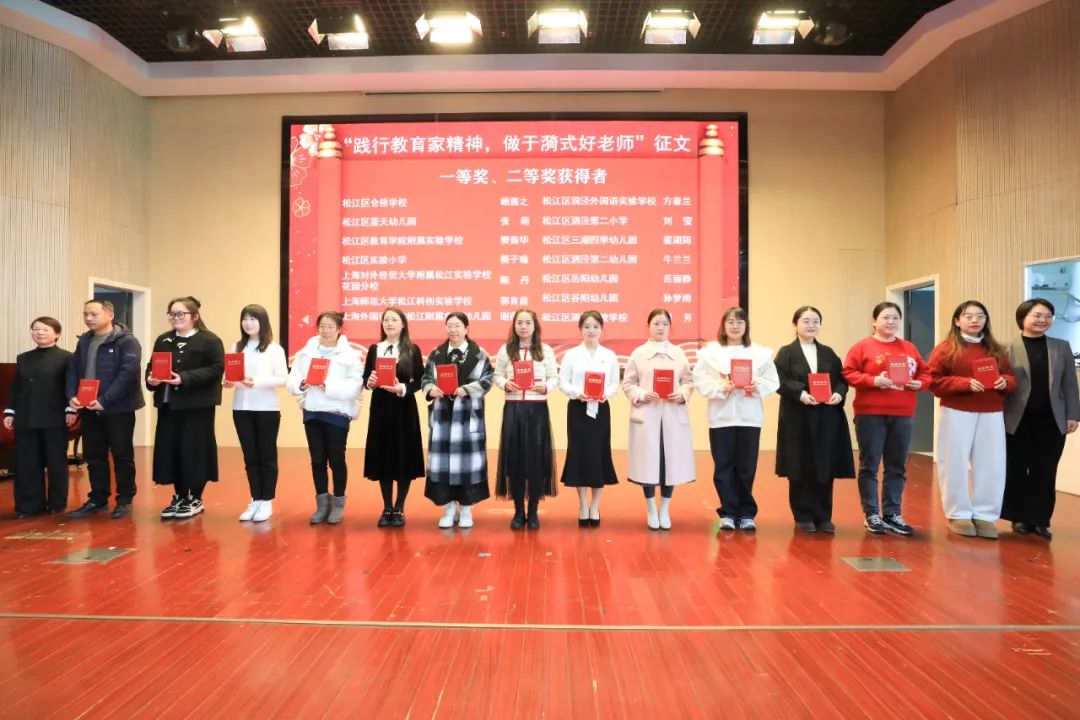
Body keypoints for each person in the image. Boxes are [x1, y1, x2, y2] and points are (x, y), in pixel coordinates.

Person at [928, 300, 1016, 539]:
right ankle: (958, 513)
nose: (975, 320)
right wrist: (964, 383)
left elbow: (1011, 377)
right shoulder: (946, 349)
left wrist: (1005, 382)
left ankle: (985, 515)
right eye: (968, 316)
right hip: (957, 411)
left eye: (980, 316)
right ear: (957, 321)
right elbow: (933, 381)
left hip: (991, 411)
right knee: (954, 462)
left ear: (986, 320)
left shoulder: (996, 349)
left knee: (992, 464)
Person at [842, 302, 931, 536]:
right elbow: (848, 373)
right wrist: (873, 380)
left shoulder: (909, 347)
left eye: (895, 318)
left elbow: (926, 373)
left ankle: (892, 513)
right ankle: (871, 513)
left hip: (903, 413)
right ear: (874, 321)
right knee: (869, 465)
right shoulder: (862, 347)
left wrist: (920, 383)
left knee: (897, 465)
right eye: (885, 317)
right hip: (870, 413)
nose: (890, 322)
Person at [693, 307, 779, 532]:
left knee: (746, 466)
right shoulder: (710, 353)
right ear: (723, 325)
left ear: (746, 326)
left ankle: (747, 513)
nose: (735, 326)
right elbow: (700, 380)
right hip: (721, 417)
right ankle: (728, 512)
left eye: (740, 322)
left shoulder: (759, 353)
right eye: (730, 321)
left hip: (749, 417)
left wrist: (757, 386)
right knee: (723, 466)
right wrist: (720, 387)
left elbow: (773, 381)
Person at [1001, 298, 1079, 540]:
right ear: (1022, 318)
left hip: (1052, 420)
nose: (1043, 320)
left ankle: (1040, 519)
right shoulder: (1005, 348)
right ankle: (1019, 517)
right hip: (1016, 419)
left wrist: (1073, 415)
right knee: (1016, 469)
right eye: (1037, 315)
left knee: (1045, 470)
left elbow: (1070, 384)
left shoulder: (1061, 347)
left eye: (1048, 316)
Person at [774, 305, 855, 533]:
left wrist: (838, 393)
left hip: (826, 416)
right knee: (799, 464)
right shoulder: (786, 353)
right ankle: (803, 514)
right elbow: (778, 380)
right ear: (795, 324)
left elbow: (841, 380)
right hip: (798, 417)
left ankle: (823, 515)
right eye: (806, 321)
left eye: (815, 321)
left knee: (825, 464)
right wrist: (800, 394)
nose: (811, 325)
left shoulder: (828, 352)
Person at [147, 296, 225, 520]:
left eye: (181, 313)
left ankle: (195, 497)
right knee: (172, 450)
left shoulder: (210, 340)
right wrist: (151, 379)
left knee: (194, 450)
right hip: (169, 405)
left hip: (197, 407)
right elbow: (152, 365)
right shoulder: (163, 340)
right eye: (172, 314)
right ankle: (180, 496)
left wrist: (184, 378)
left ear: (195, 316)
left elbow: (216, 368)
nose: (176, 318)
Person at [66, 299, 144, 519]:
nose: (88, 318)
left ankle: (125, 499)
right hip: (89, 408)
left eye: (93, 314)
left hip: (119, 408)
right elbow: (73, 370)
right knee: (94, 455)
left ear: (110, 315)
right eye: (85, 314)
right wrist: (72, 396)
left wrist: (105, 400)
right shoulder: (84, 341)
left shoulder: (127, 341)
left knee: (122, 455)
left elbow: (127, 375)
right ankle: (98, 499)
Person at [286, 311, 364, 525]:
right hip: (312, 411)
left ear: (339, 329)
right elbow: (292, 379)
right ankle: (322, 503)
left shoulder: (350, 355)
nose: (326, 331)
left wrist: (328, 386)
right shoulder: (305, 353)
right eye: (322, 326)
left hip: (337, 412)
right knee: (318, 460)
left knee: (336, 459)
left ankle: (338, 502)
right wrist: (302, 384)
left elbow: (355, 385)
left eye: (331, 327)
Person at [622, 308, 695, 530]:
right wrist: (642, 394)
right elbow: (628, 383)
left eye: (664, 323)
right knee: (648, 465)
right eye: (656, 323)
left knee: (669, 465)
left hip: (672, 416)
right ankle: (651, 509)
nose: (660, 327)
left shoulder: (679, 354)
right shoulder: (638, 354)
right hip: (648, 416)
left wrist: (682, 394)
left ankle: (665, 509)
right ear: (648, 326)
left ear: (670, 327)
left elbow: (688, 381)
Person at [421, 312, 494, 529]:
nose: (453, 330)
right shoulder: (436, 354)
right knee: (444, 465)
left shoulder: (479, 354)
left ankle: (467, 510)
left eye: (457, 326)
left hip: (467, 417)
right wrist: (430, 389)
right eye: (450, 326)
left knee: (467, 466)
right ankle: (448, 509)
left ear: (466, 328)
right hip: (442, 416)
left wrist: (468, 389)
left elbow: (488, 380)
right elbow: (426, 378)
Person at [493, 308, 558, 530]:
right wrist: (505, 383)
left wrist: (545, 387)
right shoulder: (506, 350)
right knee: (515, 460)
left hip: (537, 410)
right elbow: (497, 375)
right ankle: (519, 511)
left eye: (527, 323)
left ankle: (534, 511)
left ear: (534, 326)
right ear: (514, 325)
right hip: (513, 409)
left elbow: (554, 377)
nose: (523, 327)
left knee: (536, 460)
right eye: (519, 323)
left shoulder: (545, 350)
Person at [3, 317, 74, 517]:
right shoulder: (23, 358)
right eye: (35, 329)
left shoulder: (67, 357)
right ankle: (29, 506)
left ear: (57, 334)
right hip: (25, 416)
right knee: (26, 462)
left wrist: (71, 409)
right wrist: (10, 411)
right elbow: (16, 387)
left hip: (55, 416)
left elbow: (70, 385)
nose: (40, 332)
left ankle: (56, 503)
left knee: (56, 462)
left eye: (45, 329)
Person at [362, 307, 425, 528]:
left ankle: (399, 506)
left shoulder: (412, 349)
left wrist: (403, 388)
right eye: (386, 320)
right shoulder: (374, 349)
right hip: (380, 408)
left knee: (403, 456)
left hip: (403, 407)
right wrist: (370, 382)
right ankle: (387, 506)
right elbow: (366, 379)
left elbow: (420, 380)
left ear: (403, 324)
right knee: (383, 455)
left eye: (394, 320)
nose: (389, 324)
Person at [226, 304, 288, 523]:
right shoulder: (236, 346)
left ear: (263, 322)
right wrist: (228, 381)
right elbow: (232, 373)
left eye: (253, 319)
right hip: (241, 408)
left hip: (266, 409)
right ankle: (255, 498)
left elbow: (283, 378)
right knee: (250, 456)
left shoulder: (274, 349)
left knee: (267, 456)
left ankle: (267, 500)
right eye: (245, 319)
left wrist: (256, 382)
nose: (248, 323)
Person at [558, 310, 620, 527]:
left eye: (595, 327)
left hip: (601, 410)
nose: (591, 331)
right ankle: (583, 505)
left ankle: (595, 505)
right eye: (587, 327)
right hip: (578, 409)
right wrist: (577, 393)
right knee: (580, 455)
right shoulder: (571, 355)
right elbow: (563, 382)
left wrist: (606, 394)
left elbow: (615, 383)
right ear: (580, 329)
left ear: (601, 329)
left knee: (598, 455)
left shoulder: (609, 355)